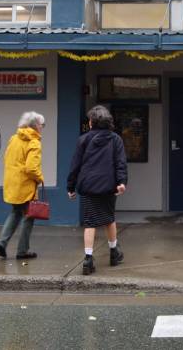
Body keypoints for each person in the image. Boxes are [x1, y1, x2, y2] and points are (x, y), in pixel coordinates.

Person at [66, 105, 128, 275]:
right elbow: (120, 163)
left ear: (92, 122)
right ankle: (114, 252)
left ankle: (88, 259)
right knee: (109, 219)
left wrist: (70, 186)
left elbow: (75, 165)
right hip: (109, 186)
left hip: (88, 186)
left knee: (90, 222)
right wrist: (122, 182)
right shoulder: (116, 140)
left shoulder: (83, 140)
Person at [0, 111, 45, 260]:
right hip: (26, 185)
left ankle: (1, 242)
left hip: (12, 183)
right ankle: (22, 251)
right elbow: (31, 168)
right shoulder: (34, 143)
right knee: (29, 217)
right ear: (36, 126)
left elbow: (7, 159)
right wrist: (40, 178)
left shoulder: (14, 139)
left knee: (16, 212)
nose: (42, 128)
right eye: (42, 125)